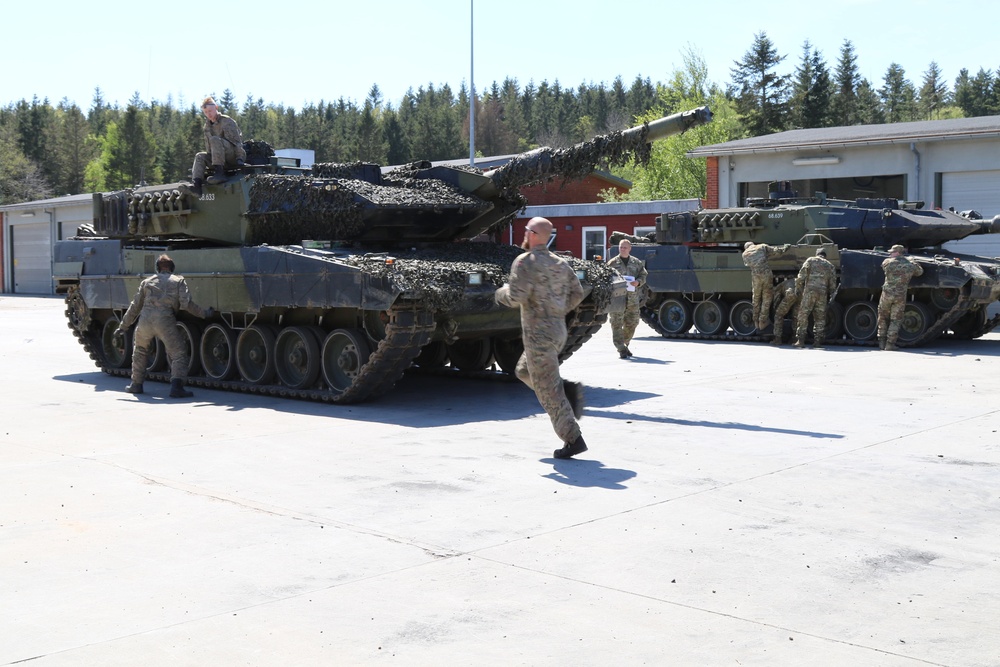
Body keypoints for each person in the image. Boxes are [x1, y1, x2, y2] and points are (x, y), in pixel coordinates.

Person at [495, 217, 587, 459]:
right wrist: (557, 311)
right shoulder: (560, 263)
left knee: (548, 392)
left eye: (527, 230)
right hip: (557, 331)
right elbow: (578, 292)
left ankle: (573, 438)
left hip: (538, 335)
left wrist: (499, 293)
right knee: (524, 371)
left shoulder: (525, 262)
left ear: (534, 234)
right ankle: (565, 390)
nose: (525, 233)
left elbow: (516, 296)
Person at [114, 254, 214, 398]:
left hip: (145, 321)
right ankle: (176, 387)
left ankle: (136, 384)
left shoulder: (147, 282)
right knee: (179, 353)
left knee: (140, 351)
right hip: (165, 321)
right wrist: (205, 314)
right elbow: (186, 304)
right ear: (172, 267)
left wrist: (123, 326)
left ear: (157, 268)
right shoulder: (178, 281)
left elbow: (135, 306)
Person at [186, 96, 246, 196]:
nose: (208, 114)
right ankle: (197, 185)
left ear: (216, 108)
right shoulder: (207, 126)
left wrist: (239, 159)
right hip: (218, 158)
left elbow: (237, 143)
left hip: (232, 157)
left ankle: (220, 173)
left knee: (214, 139)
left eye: (210, 111)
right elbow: (209, 149)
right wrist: (209, 161)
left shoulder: (227, 121)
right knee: (200, 156)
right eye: (205, 112)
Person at [877, 244, 924, 351]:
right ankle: (890, 344)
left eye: (892, 252)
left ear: (897, 252)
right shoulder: (910, 265)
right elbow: (920, 272)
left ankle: (881, 342)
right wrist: (912, 261)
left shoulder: (887, 262)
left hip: (886, 295)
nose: (890, 254)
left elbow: (884, 264)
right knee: (895, 320)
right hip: (900, 296)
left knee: (882, 317)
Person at [607, 238, 648, 359]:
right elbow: (606, 277)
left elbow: (643, 274)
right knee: (616, 323)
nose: (623, 249)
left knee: (633, 322)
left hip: (632, 298)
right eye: (621, 247)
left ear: (630, 248)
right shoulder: (612, 263)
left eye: (625, 247)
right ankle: (621, 348)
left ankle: (624, 343)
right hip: (617, 299)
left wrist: (638, 282)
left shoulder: (636, 262)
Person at [793, 247, 838, 348]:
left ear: (817, 254)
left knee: (803, 315)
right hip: (822, 294)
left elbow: (801, 277)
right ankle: (817, 341)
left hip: (810, 292)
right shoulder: (830, 266)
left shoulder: (811, 260)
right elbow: (832, 285)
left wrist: (798, 289)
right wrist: (831, 295)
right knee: (820, 318)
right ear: (825, 256)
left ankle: (800, 341)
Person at [742, 241, 789, 331]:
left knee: (756, 298)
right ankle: (763, 321)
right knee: (767, 298)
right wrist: (785, 248)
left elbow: (748, 264)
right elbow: (776, 251)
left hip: (756, 277)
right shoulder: (761, 246)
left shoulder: (744, 254)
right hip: (766, 275)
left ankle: (755, 320)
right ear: (753, 244)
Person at [770, 276, 801, 346]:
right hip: (800, 294)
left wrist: (776, 308)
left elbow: (776, 300)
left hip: (790, 294)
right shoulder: (793, 280)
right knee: (796, 317)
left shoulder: (779, 287)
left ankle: (777, 339)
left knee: (778, 315)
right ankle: (795, 338)